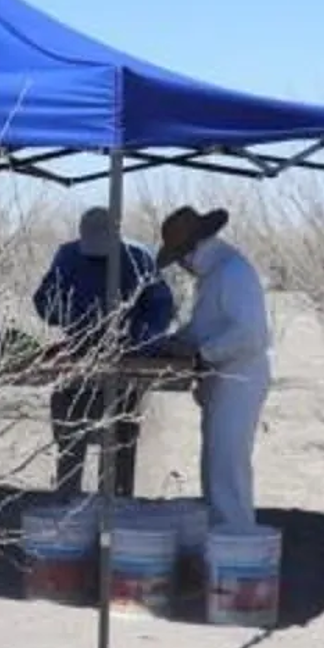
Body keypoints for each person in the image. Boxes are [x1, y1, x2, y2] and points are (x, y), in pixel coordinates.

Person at [33, 206, 175, 498]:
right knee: (71, 438)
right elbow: (45, 304)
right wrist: (71, 315)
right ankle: (67, 504)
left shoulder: (139, 258)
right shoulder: (68, 256)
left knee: (119, 442)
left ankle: (116, 505)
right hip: (78, 362)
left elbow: (161, 308)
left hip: (126, 364)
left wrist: (138, 340)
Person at [154, 206, 271, 531]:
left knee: (227, 469)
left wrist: (203, 353)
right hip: (223, 381)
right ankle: (225, 539)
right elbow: (208, 325)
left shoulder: (233, 272)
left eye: (180, 257)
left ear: (193, 251)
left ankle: (236, 540)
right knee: (216, 467)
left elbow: (251, 334)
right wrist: (176, 341)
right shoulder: (217, 273)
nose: (181, 266)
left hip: (239, 380)